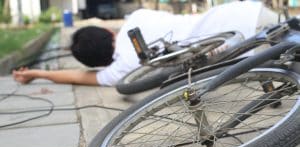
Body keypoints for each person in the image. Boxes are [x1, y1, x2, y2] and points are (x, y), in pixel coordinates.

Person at [13, 1, 277, 86]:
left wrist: (39, 73)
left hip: (249, 51)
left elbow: (81, 76)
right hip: (242, 13)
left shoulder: (121, 69)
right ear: (107, 29)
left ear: (97, 63)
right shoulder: (137, 17)